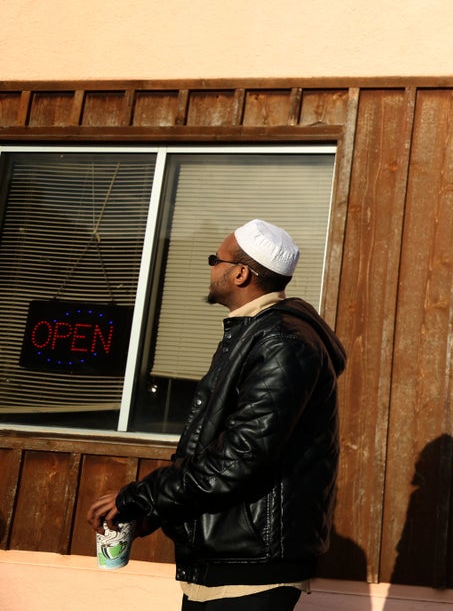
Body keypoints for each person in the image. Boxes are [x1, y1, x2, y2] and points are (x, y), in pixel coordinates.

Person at [88, 219, 347, 611]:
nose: (210, 267)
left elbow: (240, 457)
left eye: (215, 259)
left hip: (251, 566)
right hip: (224, 559)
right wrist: (156, 511)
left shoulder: (282, 342)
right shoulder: (252, 333)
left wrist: (140, 498)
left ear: (241, 272)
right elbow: (220, 449)